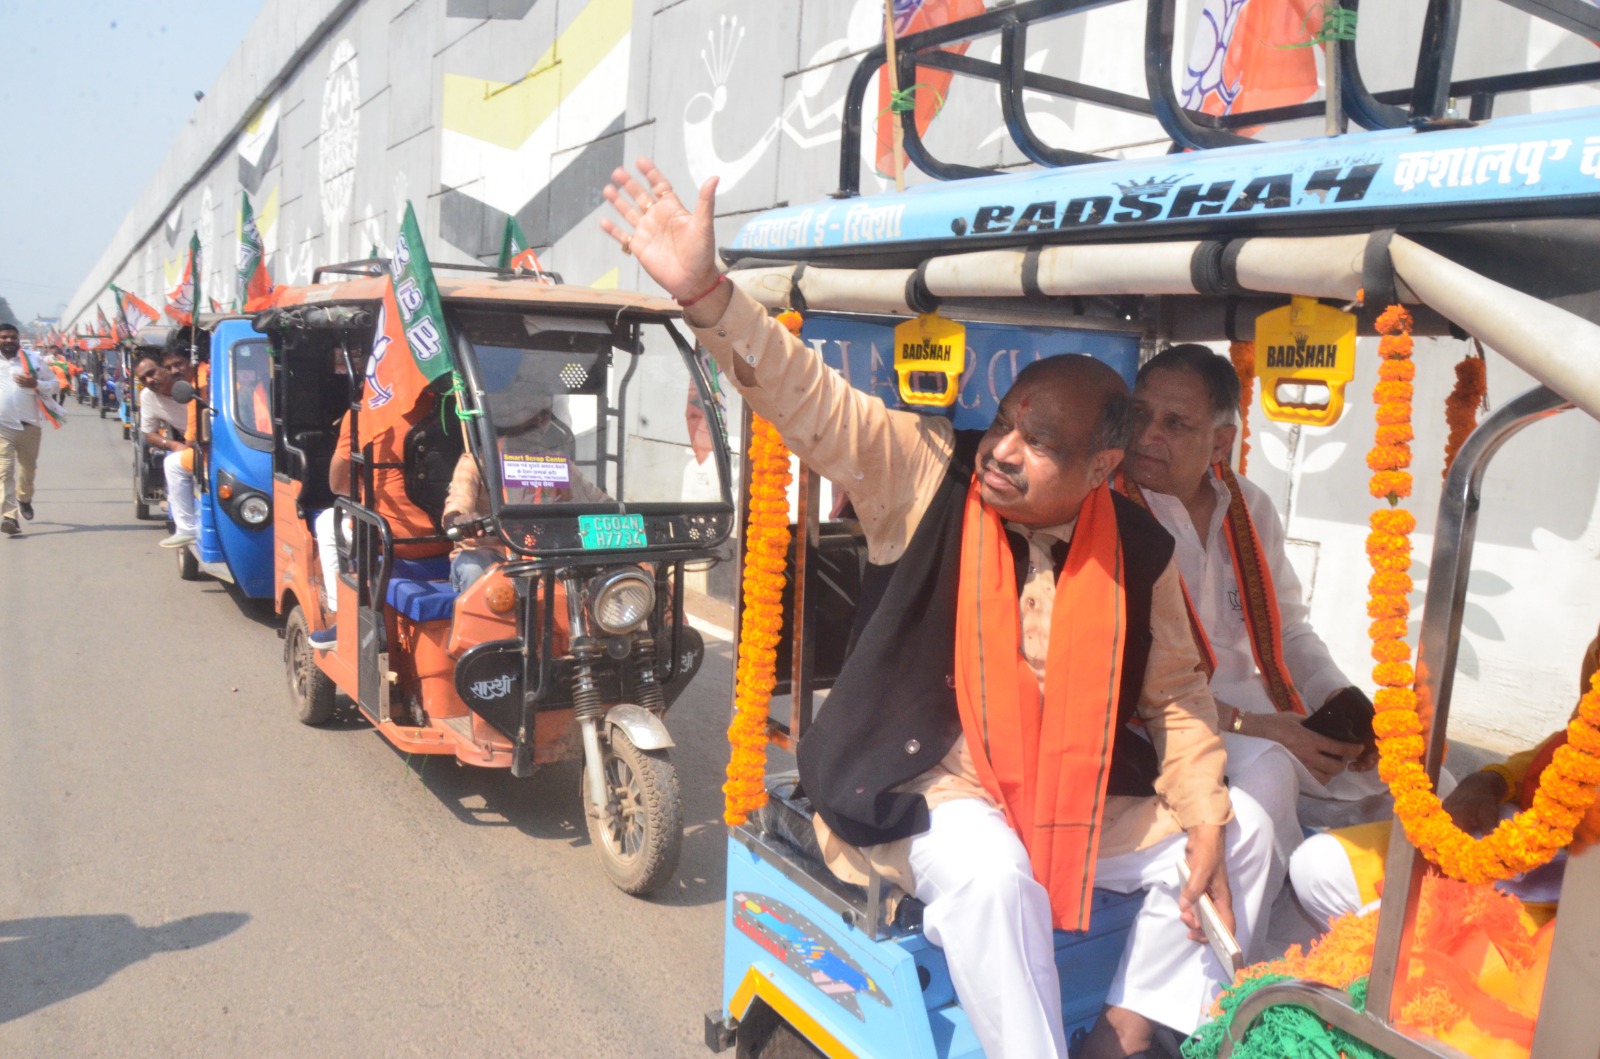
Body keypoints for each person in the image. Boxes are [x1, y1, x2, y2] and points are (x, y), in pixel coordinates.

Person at [601, 158, 1275, 1059]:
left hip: (1068, 792)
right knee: (993, 879)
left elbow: (1180, 693)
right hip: (929, 784)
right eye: (1004, 423)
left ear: (1101, 471)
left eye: (1039, 444)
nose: (1002, 451)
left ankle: (1127, 1026)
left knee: (1245, 829)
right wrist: (709, 297)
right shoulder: (926, 473)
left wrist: (1198, 808)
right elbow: (815, 404)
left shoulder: (1137, 547)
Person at [1291, 623, 1600, 930]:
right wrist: (1493, 779)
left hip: (1561, 909)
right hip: (1498, 834)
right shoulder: (1593, 692)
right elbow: (1565, 748)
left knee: (1401, 934)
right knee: (1318, 867)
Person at [441, 378, 607, 593]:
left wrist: (630, 516)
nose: (539, 421)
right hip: (491, 555)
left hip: (545, 556)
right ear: (509, 415)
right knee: (473, 569)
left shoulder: (558, 464)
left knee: (597, 576)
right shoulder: (477, 462)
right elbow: (455, 507)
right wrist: (461, 520)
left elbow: (599, 502)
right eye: (531, 412)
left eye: (545, 413)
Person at [0, 324, 62, 535]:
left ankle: (24, 498)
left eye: (12, 337)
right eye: (4, 337)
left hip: (30, 426)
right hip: (2, 427)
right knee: (4, 472)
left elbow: (55, 384)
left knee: (28, 469)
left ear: (18, 339)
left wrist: (35, 383)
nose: (9, 341)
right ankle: (9, 517)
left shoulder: (33, 360)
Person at [140, 350, 200, 549]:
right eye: (143, 379)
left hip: (219, 439)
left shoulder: (196, 383)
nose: (149, 380)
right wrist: (174, 445)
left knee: (173, 465)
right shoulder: (148, 396)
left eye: (152, 372)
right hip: (193, 444)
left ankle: (187, 530)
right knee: (172, 462)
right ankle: (186, 529)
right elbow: (149, 433)